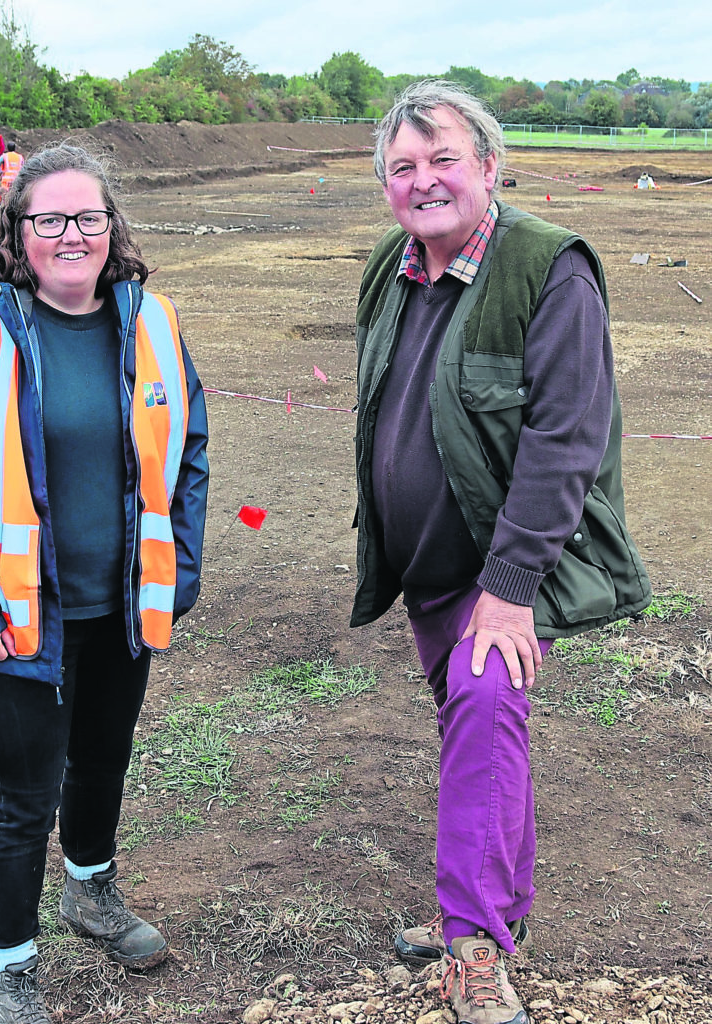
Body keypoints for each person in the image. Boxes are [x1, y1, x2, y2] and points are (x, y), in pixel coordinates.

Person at [0, 142, 209, 1024]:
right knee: (25, 796)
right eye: (50, 219)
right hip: (10, 617)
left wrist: (177, 564)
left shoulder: (153, 324)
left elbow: (188, 454)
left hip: (121, 607)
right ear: (17, 232)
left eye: (88, 217)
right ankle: (11, 966)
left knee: (103, 760)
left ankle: (90, 891)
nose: (72, 234)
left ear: (114, 228)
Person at [351, 81, 650, 1024]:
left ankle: (473, 944)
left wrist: (511, 587)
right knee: (480, 734)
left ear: (489, 165)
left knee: (483, 712)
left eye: (443, 160)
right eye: (404, 167)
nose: (424, 181)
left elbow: (566, 438)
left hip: (507, 572)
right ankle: (486, 915)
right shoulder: (387, 269)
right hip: (429, 573)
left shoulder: (546, 269)